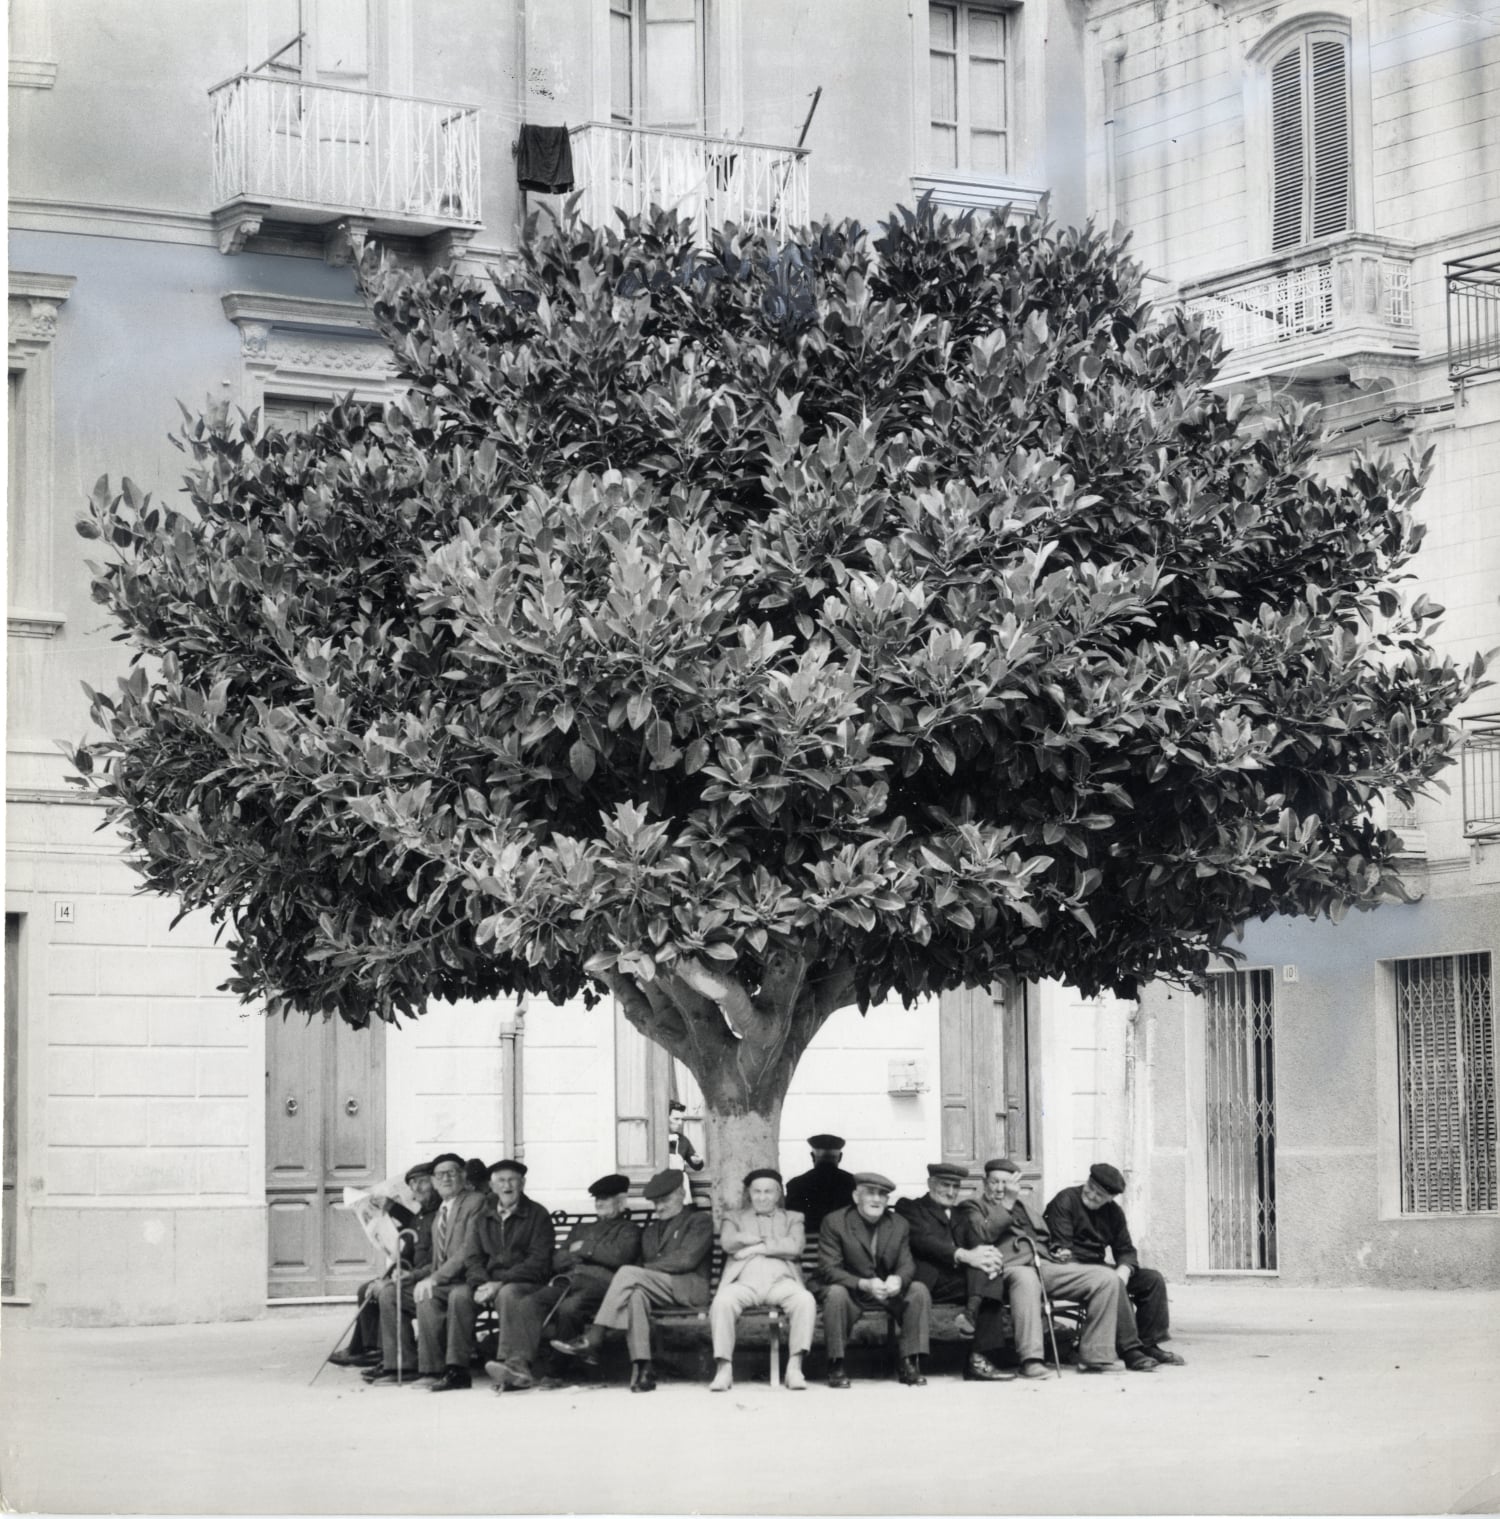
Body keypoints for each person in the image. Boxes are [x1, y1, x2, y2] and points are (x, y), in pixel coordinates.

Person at [959, 1157, 1156, 1376]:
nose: (1000, 1188)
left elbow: (1043, 1237)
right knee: (1026, 1279)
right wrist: (1007, 1203)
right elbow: (981, 1234)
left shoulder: (1024, 1208)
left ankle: (1095, 1356)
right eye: (995, 1182)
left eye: (1006, 1183)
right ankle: (1030, 1360)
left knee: (1106, 1278)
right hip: (1007, 1266)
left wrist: (1056, 1251)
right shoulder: (972, 1206)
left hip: (1044, 1264)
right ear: (985, 1183)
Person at [551, 1169, 713, 1391]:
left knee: (629, 1274)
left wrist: (643, 1271)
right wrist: (642, 1273)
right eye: (655, 1202)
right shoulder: (651, 1230)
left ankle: (595, 1336)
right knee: (636, 1295)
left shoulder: (699, 1221)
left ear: (681, 1194)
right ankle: (643, 1368)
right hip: (657, 1290)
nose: (659, 1207)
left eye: (664, 1200)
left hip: (688, 1288)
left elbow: (686, 1260)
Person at [484, 1172, 642, 1391]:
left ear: (621, 1201)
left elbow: (618, 1257)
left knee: (569, 1309)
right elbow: (558, 1259)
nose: (600, 1203)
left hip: (600, 1285)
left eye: (605, 1199)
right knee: (530, 1303)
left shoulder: (629, 1230)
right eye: (597, 1199)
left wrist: (583, 1249)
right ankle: (518, 1365)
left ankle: (555, 1372)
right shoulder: (583, 1228)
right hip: (566, 1282)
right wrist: (590, 1253)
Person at [419, 1158, 553, 1392]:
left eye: (512, 1180)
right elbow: (473, 1257)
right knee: (459, 1295)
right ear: (491, 1186)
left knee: (508, 1294)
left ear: (522, 1183)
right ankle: (457, 1370)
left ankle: (515, 1367)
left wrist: (499, 1283)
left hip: (524, 1282)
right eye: (500, 1180)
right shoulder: (485, 1217)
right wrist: (481, 1283)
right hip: (488, 1281)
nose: (506, 1185)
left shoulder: (537, 1215)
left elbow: (538, 1261)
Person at [1044, 1162, 1186, 1367]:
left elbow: (1126, 1249)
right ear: (1087, 1181)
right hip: (1072, 1269)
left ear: (1110, 1198)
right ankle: (1130, 1349)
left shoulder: (1114, 1213)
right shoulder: (1065, 1200)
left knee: (1152, 1280)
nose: (1092, 1195)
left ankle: (1149, 1344)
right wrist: (1111, 1276)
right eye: (1090, 1188)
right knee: (1112, 1281)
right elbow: (1063, 1251)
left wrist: (1124, 1270)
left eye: (1099, 1195)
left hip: (1099, 1266)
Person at [364, 1152, 486, 1384]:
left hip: (466, 1279)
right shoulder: (442, 1211)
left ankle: (434, 1370)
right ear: (434, 1181)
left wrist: (434, 1279)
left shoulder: (474, 1202)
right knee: (391, 1292)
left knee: (427, 1295)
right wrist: (413, 1275)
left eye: (451, 1173)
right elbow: (438, 1259)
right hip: (445, 1279)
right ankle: (402, 1365)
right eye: (440, 1175)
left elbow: (467, 1250)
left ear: (462, 1176)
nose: (446, 1179)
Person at [895, 1161, 1016, 1382]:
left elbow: (976, 1242)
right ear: (930, 1183)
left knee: (991, 1273)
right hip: (927, 1281)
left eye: (955, 1187)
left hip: (958, 1283)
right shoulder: (910, 1207)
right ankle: (971, 1323)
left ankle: (976, 1355)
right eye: (944, 1185)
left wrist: (990, 1256)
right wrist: (964, 1255)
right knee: (982, 1272)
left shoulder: (960, 1213)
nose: (951, 1192)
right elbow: (924, 1241)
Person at [816, 1171, 930, 1388]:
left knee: (918, 1290)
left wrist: (898, 1279)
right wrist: (863, 1284)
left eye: (882, 1195)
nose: (876, 1199)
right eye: (870, 1193)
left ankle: (909, 1362)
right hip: (851, 1290)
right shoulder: (835, 1222)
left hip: (886, 1292)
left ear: (888, 1200)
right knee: (835, 1294)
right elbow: (828, 1269)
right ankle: (836, 1364)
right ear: (856, 1196)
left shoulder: (899, 1223)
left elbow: (907, 1263)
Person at [708, 1168, 816, 1393]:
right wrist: (759, 1240)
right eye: (756, 1192)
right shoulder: (733, 1217)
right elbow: (728, 1242)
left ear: (778, 1194)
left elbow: (795, 1246)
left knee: (805, 1300)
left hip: (781, 1284)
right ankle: (724, 1369)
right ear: (749, 1194)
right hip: (743, 1284)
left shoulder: (793, 1218)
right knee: (722, 1302)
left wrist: (755, 1247)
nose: (762, 1197)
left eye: (768, 1192)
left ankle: (795, 1368)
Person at [330, 1160, 436, 1368]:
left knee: (382, 1291)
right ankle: (369, 1348)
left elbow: (429, 1251)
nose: (416, 1190)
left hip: (423, 1276)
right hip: (412, 1271)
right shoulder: (424, 1213)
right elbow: (414, 1228)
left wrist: (397, 1276)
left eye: (422, 1182)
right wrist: (392, 1208)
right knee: (367, 1289)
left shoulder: (439, 1212)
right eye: (412, 1185)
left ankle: (377, 1350)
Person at [785, 1133, 857, 1233]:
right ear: (840, 1157)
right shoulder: (854, 1183)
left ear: (812, 1156)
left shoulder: (795, 1184)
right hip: (843, 1245)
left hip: (805, 1245)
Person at [666, 1100, 705, 1173]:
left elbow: (696, 1167)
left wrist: (697, 1162)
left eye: (682, 1119)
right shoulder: (655, 1139)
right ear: (665, 1118)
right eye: (676, 1119)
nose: (680, 1123)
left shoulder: (683, 1140)